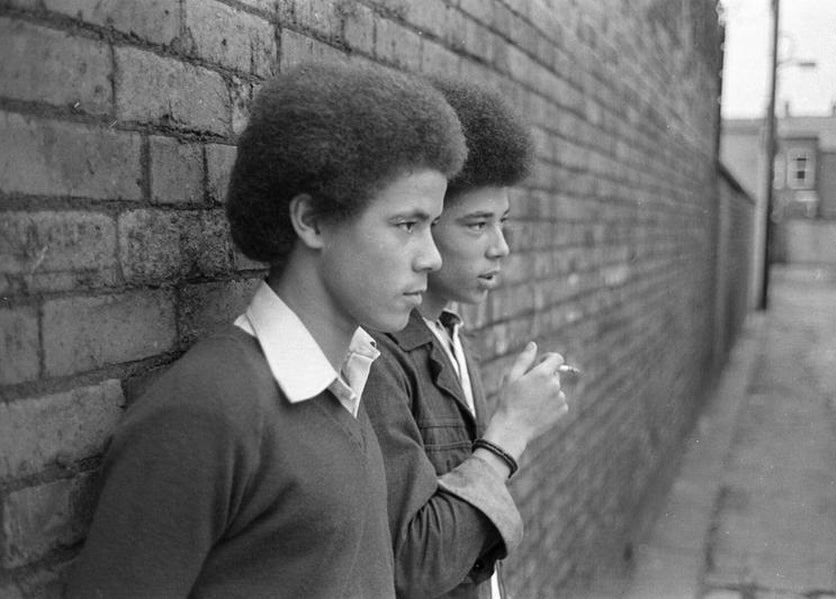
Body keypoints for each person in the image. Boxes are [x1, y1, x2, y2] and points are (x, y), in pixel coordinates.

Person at [65, 60, 467, 599]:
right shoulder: (209, 408)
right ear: (312, 221)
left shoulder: (350, 382)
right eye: (407, 225)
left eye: (433, 226)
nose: (432, 258)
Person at [363, 78, 570, 599]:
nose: (500, 247)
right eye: (477, 225)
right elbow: (415, 563)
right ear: (422, 224)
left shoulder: (449, 336)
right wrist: (512, 430)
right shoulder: (378, 357)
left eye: (502, 223)